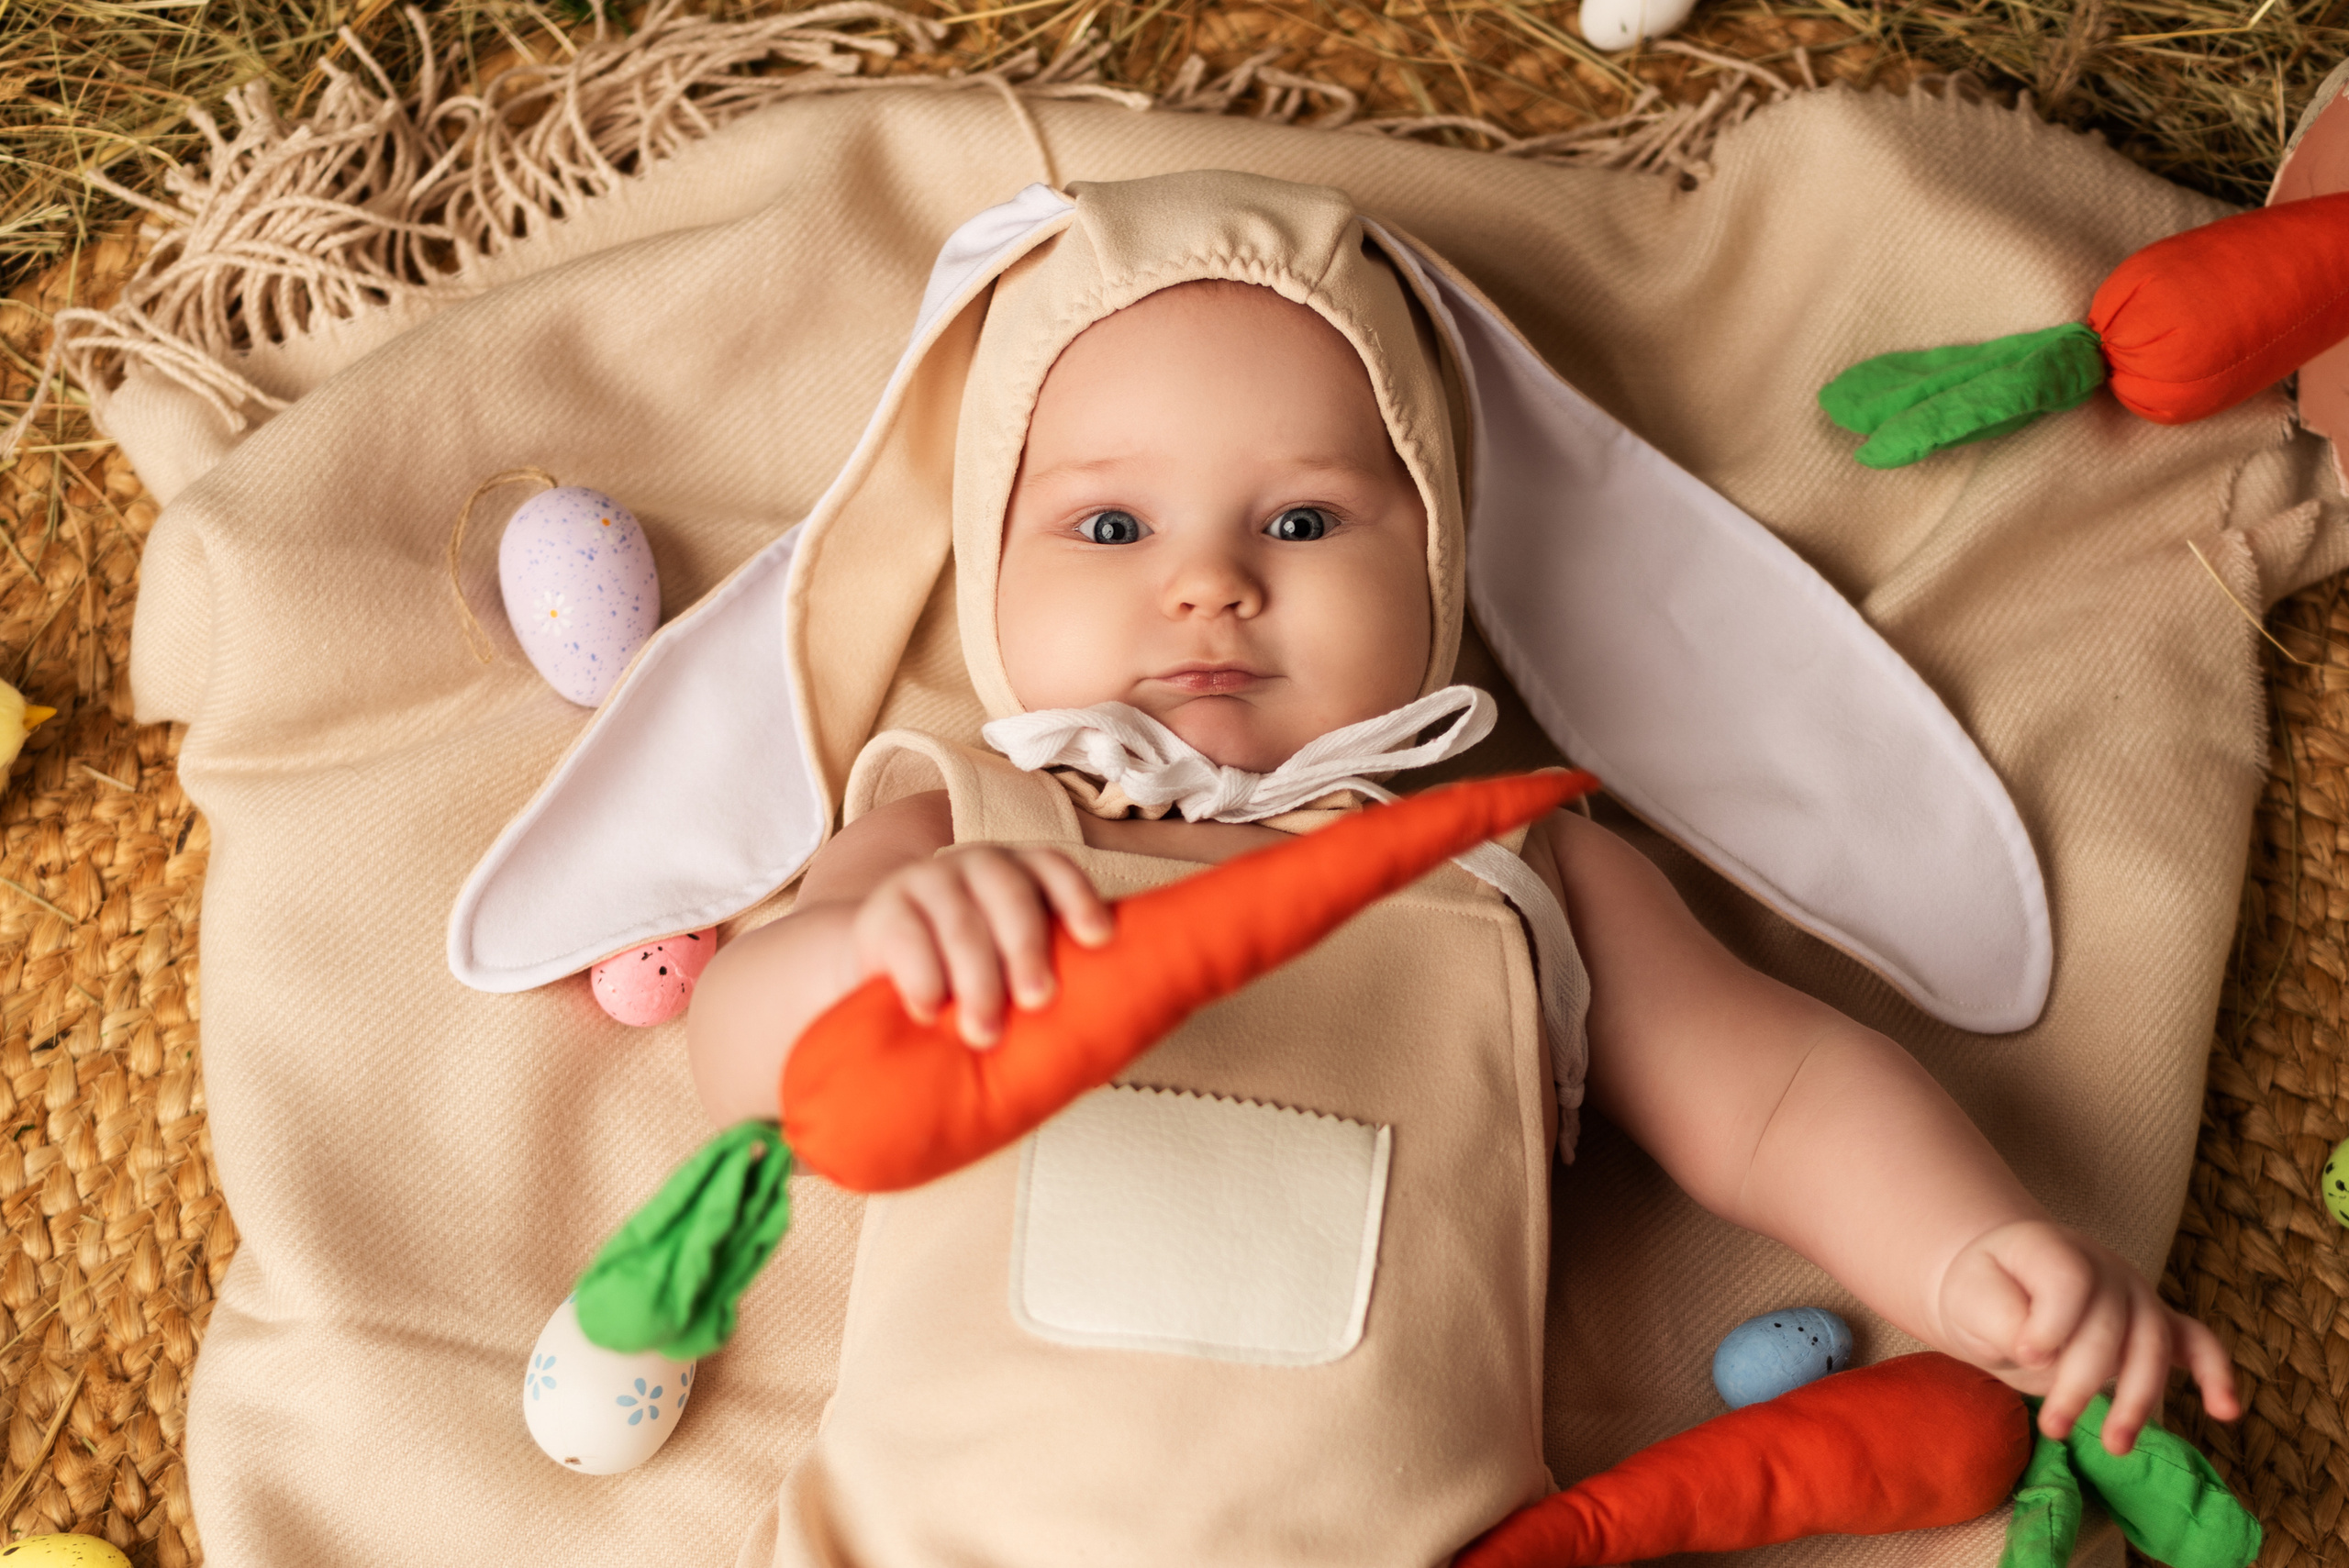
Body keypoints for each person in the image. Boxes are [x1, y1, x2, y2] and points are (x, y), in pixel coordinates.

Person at [689, 175, 2241, 1567]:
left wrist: (1971, 1249)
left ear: (1434, 557)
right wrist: (866, 958)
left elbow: (1778, 1096)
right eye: (1110, 521)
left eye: (1302, 518)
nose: (1210, 581)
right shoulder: (960, 828)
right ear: (990, 559)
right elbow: (739, 1052)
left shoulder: (1518, 867)